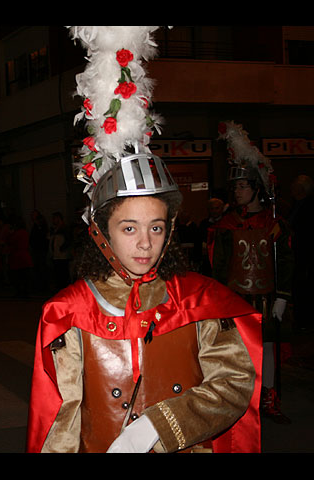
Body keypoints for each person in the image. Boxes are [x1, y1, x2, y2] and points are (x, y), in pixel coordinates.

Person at [26, 26, 262, 454]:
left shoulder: (199, 301)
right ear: (101, 233)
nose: (145, 243)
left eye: (156, 227)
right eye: (128, 228)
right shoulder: (69, 312)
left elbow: (233, 383)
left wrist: (159, 424)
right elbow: (60, 418)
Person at [209, 121, 294, 424]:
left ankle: (269, 399)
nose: (238, 191)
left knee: (268, 350)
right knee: (239, 355)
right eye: (235, 186)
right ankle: (242, 401)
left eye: (243, 186)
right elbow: (218, 266)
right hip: (237, 299)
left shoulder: (273, 223)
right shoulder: (226, 225)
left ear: (256, 188)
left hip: (267, 298)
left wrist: (282, 297)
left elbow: (284, 262)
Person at [288, 175, 314, 333]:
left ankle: (305, 319)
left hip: (305, 252)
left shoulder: (308, 206)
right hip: (297, 252)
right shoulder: (295, 204)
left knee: (305, 286)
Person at [197, 198, 225, 276]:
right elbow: (199, 241)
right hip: (207, 262)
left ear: (222, 209)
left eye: (217, 208)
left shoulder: (227, 223)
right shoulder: (204, 224)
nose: (214, 211)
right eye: (212, 209)